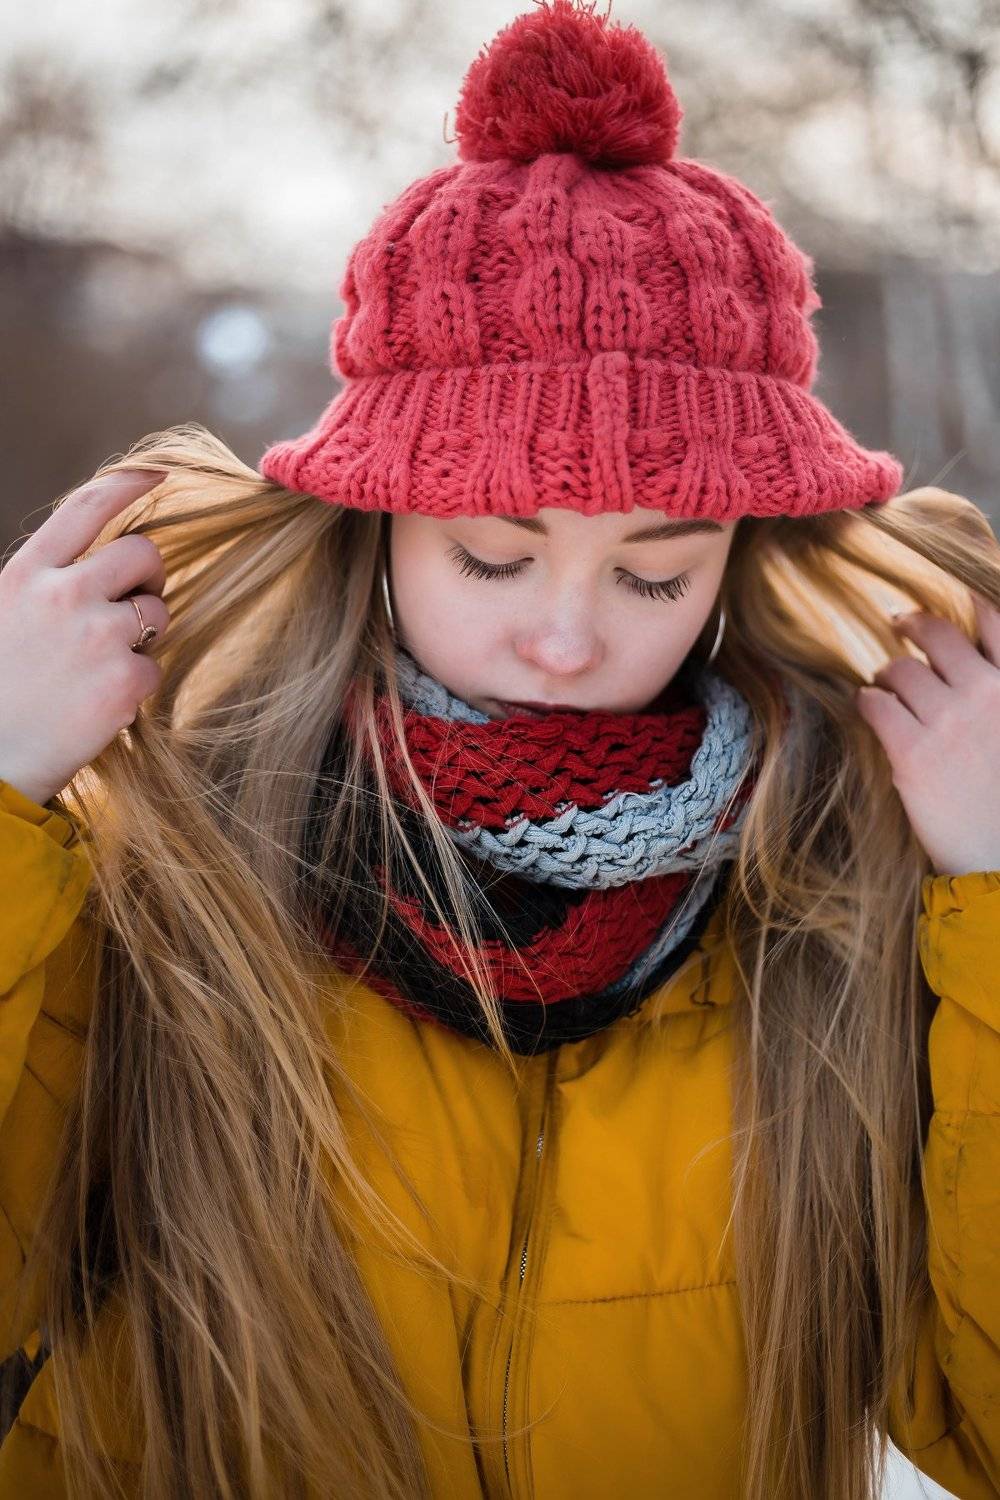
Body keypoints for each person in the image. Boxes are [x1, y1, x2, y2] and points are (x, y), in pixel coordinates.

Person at [0, 1, 998, 1495]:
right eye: (490, 556)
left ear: (738, 561)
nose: (568, 638)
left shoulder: (845, 903)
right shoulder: (170, 864)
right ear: (378, 529)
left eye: (657, 573)